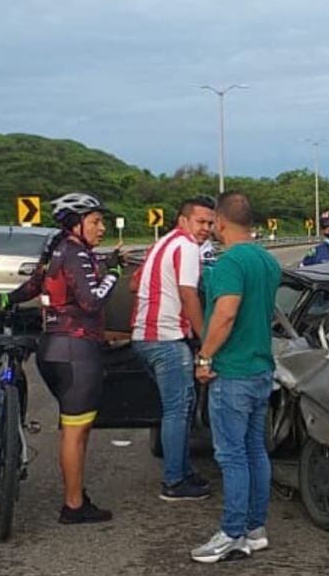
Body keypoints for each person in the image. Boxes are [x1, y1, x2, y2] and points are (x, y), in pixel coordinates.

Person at [2, 192, 122, 524]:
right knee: (75, 431)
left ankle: (76, 494)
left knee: (72, 426)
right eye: (96, 221)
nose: (102, 228)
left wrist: (2, 299)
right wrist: (114, 274)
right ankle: (73, 505)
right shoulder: (77, 254)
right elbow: (91, 302)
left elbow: (30, 288)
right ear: (76, 223)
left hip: (51, 349)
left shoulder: (56, 250)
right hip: (77, 352)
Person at [191, 192, 281, 564]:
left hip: (233, 372)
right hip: (261, 369)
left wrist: (205, 355)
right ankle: (255, 529)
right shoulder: (267, 260)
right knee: (254, 451)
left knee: (231, 456)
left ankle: (232, 533)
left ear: (221, 223)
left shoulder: (230, 264)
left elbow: (225, 314)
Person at [131, 197, 215, 501]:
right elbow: (188, 295)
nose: (206, 228)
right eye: (200, 222)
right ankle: (174, 481)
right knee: (178, 410)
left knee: (181, 405)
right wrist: (206, 340)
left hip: (145, 337)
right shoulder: (188, 247)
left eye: (210, 223)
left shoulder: (162, 244)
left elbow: (133, 285)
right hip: (167, 339)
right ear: (183, 221)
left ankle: (183, 468)